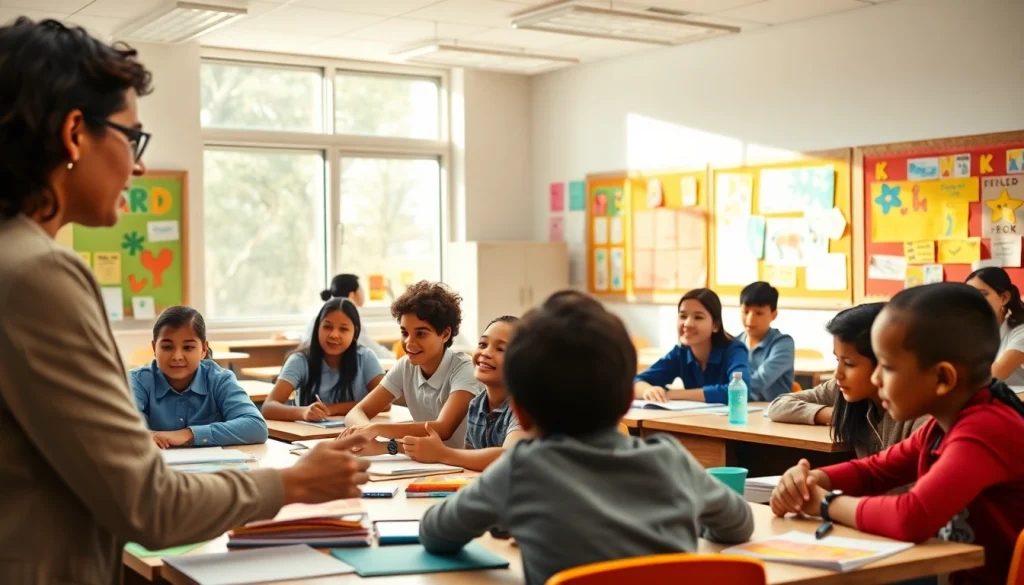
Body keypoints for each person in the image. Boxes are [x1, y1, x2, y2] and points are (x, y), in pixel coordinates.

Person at [0, 19, 369, 585]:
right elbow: (147, 505)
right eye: (132, 139)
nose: (139, 166)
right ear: (75, 132)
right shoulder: (39, 273)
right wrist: (291, 483)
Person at [419, 291, 754, 585]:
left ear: (519, 411)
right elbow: (739, 525)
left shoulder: (524, 469)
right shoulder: (671, 458)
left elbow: (435, 533)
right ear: (626, 402)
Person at [770, 283, 1024, 585]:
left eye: (887, 368)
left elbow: (911, 516)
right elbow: (875, 471)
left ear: (943, 377)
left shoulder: (985, 428)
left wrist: (825, 503)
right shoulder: (942, 425)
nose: (876, 378)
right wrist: (813, 479)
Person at [767, 303, 927, 457]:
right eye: (838, 360)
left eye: (849, 363)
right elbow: (778, 406)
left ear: (884, 361)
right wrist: (833, 415)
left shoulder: (919, 417)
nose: (838, 374)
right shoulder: (842, 388)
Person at [340, 281, 483, 452]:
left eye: (421, 333)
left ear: (445, 334)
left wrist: (377, 430)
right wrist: (366, 435)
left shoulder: (464, 369)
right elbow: (356, 413)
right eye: (404, 333)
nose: (409, 342)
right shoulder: (406, 366)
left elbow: (443, 429)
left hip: (464, 468)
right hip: (427, 463)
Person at [132, 306, 269, 447]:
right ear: (155, 348)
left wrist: (189, 434)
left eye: (188, 347)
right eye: (167, 347)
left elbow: (256, 427)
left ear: (203, 349)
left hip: (212, 467)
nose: (177, 357)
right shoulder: (138, 381)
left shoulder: (219, 380)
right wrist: (140, 435)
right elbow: (116, 428)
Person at [403, 315, 527, 471]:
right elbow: (468, 462)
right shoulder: (476, 405)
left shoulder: (525, 406)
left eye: (500, 349)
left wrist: (442, 454)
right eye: (482, 344)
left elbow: (508, 458)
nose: (486, 353)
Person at [263, 298, 385, 421]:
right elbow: (268, 407)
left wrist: (332, 409)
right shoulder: (300, 360)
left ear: (355, 332)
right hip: (309, 435)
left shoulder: (365, 357)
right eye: (327, 327)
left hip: (355, 433)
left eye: (343, 329)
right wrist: (304, 412)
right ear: (317, 328)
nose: (334, 334)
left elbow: (384, 403)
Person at [633, 288, 751, 404]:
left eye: (698, 317)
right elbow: (635, 382)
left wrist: (671, 394)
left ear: (715, 325)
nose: (688, 324)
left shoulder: (734, 350)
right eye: (683, 316)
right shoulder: (680, 353)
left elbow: (740, 391)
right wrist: (648, 391)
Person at [303, 273, 392, 359]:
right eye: (361, 290)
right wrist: (394, 356)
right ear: (352, 295)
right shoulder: (348, 318)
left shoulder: (322, 311)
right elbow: (373, 351)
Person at [965, 266, 1024, 385]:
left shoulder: (1020, 331)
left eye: (982, 294)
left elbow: (993, 375)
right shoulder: (970, 330)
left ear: (1004, 298)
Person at [737, 281, 795, 400]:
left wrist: (721, 391)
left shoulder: (783, 343)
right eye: (746, 311)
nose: (750, 319)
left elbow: (759, 381)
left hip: (775, 413)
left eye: (759, 313)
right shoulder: (734, 343)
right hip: (741, 408)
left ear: (774, 315)